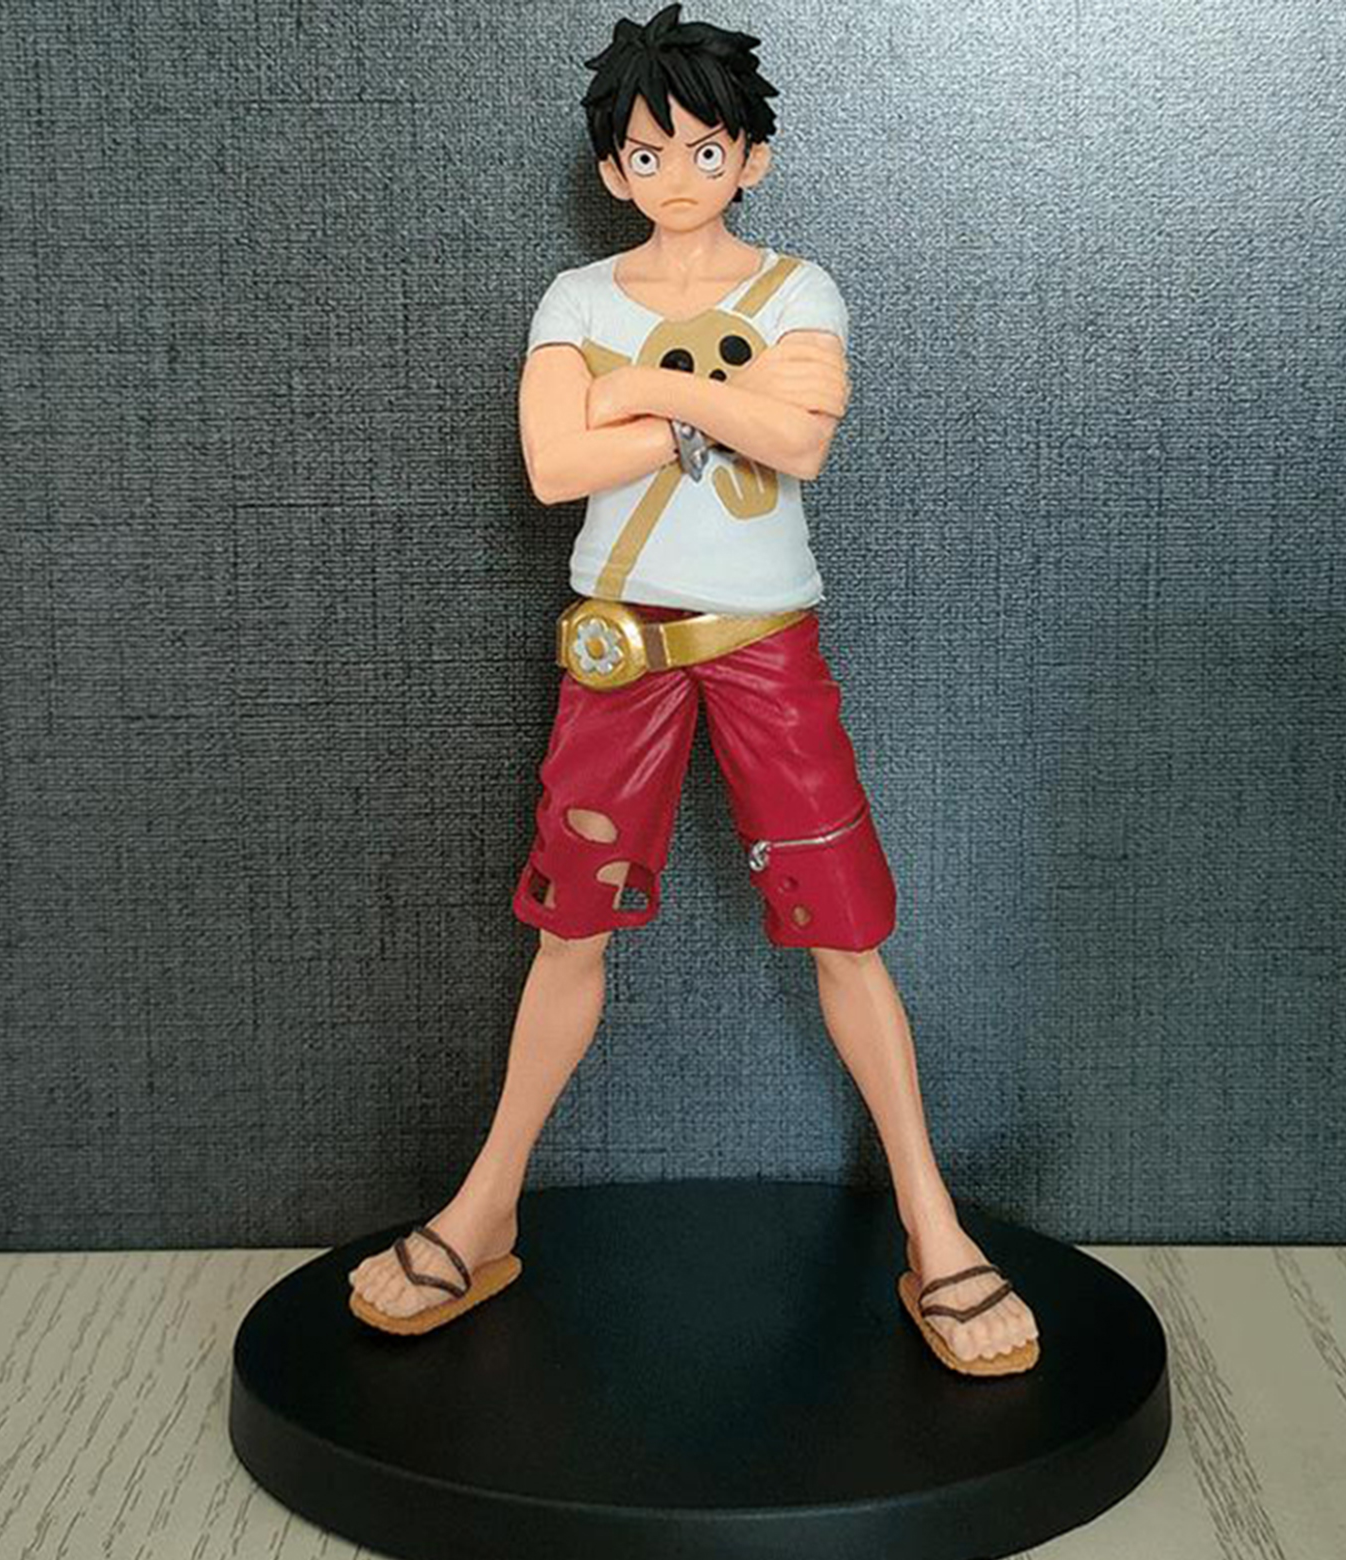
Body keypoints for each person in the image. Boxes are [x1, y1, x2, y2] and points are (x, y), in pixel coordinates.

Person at [349, 3, 1040, 1377]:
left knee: (848, 929)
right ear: (614, 171)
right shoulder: (577, 297)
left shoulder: (799, 289)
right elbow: (553, 467)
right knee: (569, 924)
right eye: (649, 154)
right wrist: (714, 404)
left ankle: (934, 1226)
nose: (677, 175)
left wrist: (637, 397)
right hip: (619, 647)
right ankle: (485, 1209)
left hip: (765, 643)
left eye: (705, 149)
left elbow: (803, 442)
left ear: (751, 158)